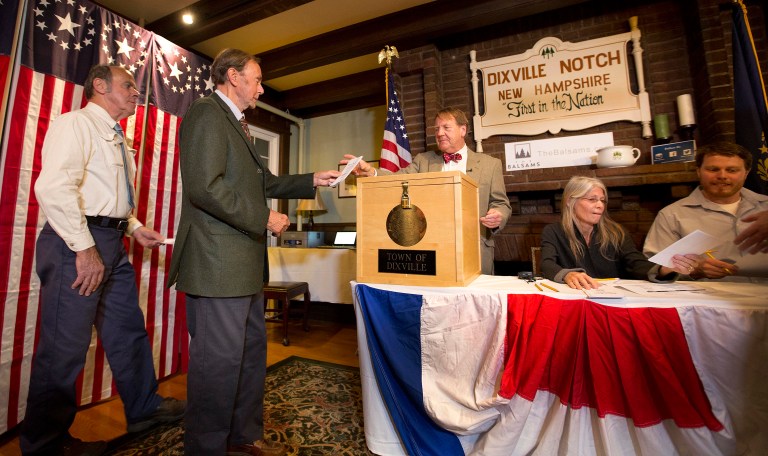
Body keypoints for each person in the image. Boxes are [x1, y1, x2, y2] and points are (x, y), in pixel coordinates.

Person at [167, 48, 340, 456]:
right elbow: (204, 187)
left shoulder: (237, 124)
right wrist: (264, 218)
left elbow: (265, 181)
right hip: (216, 264)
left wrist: (313, 178)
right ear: (232, 76)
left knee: (247, 358)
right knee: (217, 365)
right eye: (257, 80)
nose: (261, 89)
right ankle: (206, 447)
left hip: (244, 265)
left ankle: (242, 435)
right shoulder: (207, 114)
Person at [22, 65, 185, 456]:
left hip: (110, 241)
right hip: (75, 243)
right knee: (65, 348)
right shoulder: (75, 124)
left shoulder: (117, 138)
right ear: (99, 85)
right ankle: (45, 445)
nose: (136, 94)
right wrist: (84, 248)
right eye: (128, 86)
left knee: (127, 329)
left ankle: (144, 408)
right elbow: (55, 187)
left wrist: (133, 228)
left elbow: (107, 199)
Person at [344, 107, 511, 274]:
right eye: (437, 128)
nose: (439, 133)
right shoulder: (423, 160)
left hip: (475, 248)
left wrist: (498, 215)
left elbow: (501, 203)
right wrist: (371, 171)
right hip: (431, 250)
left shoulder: (490, 164)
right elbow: (396, 179)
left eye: (446, 127)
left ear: (463, 130)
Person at [644, 141, 768, 280]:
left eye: (732, 170)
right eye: (713, 169)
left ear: (746, 173)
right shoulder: (671, 215)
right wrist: (693, 271)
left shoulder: (766, 207)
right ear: (698, 171)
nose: (722, 176)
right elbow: (655, 270)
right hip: (709, 298)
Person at [541, 176, 687, 289]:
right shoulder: (553, 231)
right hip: (575, 300)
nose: (599, 205)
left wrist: (662, 269)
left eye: (602, 201)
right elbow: (547, 264)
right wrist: (567, 274)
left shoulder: (617, 232)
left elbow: (635, 262)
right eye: (592, 199)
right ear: (570, 201)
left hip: (614, 302)